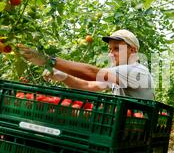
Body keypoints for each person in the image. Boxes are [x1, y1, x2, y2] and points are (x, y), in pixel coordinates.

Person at [18, 29, 154, 100]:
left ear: (133, 50)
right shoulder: (119, 74)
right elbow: (87, 85)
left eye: (117, 48)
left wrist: (49, 61)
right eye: (110, 49)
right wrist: (65, 77)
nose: (111, 53)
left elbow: (94, 74)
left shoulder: (135, 70)